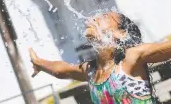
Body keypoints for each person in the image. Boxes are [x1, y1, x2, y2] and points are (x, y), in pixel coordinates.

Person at [29, 12, 171, 104]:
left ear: (121, 33)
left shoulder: (130, 58)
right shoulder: (91, 70)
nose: (94, 18)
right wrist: (39, 63)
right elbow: (62, 70)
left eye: (104, 17)